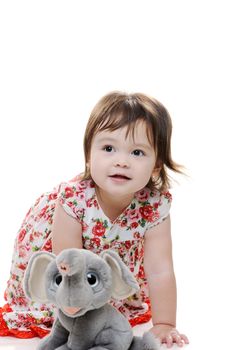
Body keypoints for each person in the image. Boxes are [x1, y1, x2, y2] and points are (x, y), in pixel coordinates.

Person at [0, 91, 189, 347]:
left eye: (137, 152)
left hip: (103, 273)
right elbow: (66, 264)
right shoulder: (73, 200)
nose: (121, 161)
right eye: (109, 148)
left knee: (110, 311)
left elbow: (160, 269)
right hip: (68, 273)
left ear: (156, 165)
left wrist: (165, 323)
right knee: (62, 302)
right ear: (89, 155)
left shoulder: (154, 206)